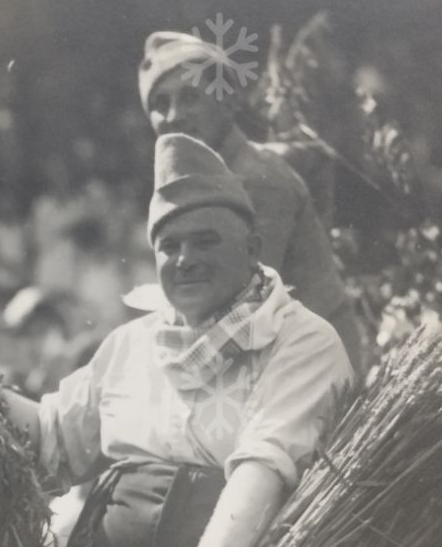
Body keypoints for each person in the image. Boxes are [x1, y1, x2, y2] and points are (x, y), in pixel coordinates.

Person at [0, 134, 353, 547]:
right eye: (170, 246)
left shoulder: (299, 338)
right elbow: (51, 436)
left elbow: (266, 458)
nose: (185, 259)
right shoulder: (133, 343)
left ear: (253, 247)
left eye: (206, 241)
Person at [137, 30, 366, 376]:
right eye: (160, 104)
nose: (173, 116)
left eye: (189, 97)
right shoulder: (208, 182)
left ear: (228, 102)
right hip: (264, 358)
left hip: (309, 368)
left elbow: (237, 309)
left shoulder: (257, 180)